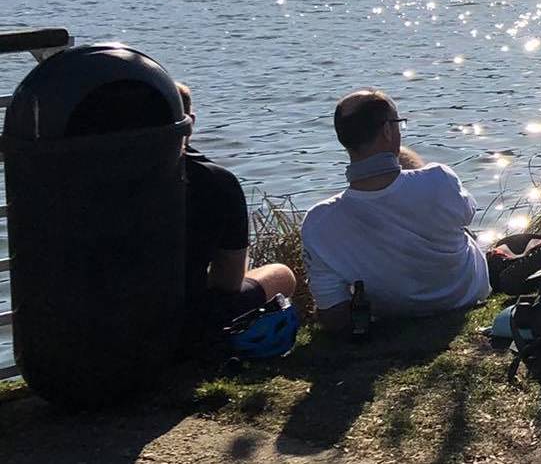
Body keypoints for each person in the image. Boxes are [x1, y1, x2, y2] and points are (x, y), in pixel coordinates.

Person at [301, 90, 491, 331]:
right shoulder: (438, 179)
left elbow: (331, 309)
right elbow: (467, 214)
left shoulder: (318, 222)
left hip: (391, 315)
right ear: (388, 131)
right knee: (497, 243)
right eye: (398, 124)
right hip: (465, 296)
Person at [177, 83, 298, 345]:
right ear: (190, 122)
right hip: (183, 328)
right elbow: (229, 284)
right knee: (280, 274)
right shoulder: (216, 182)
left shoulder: (93, 176)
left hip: (96, 323)